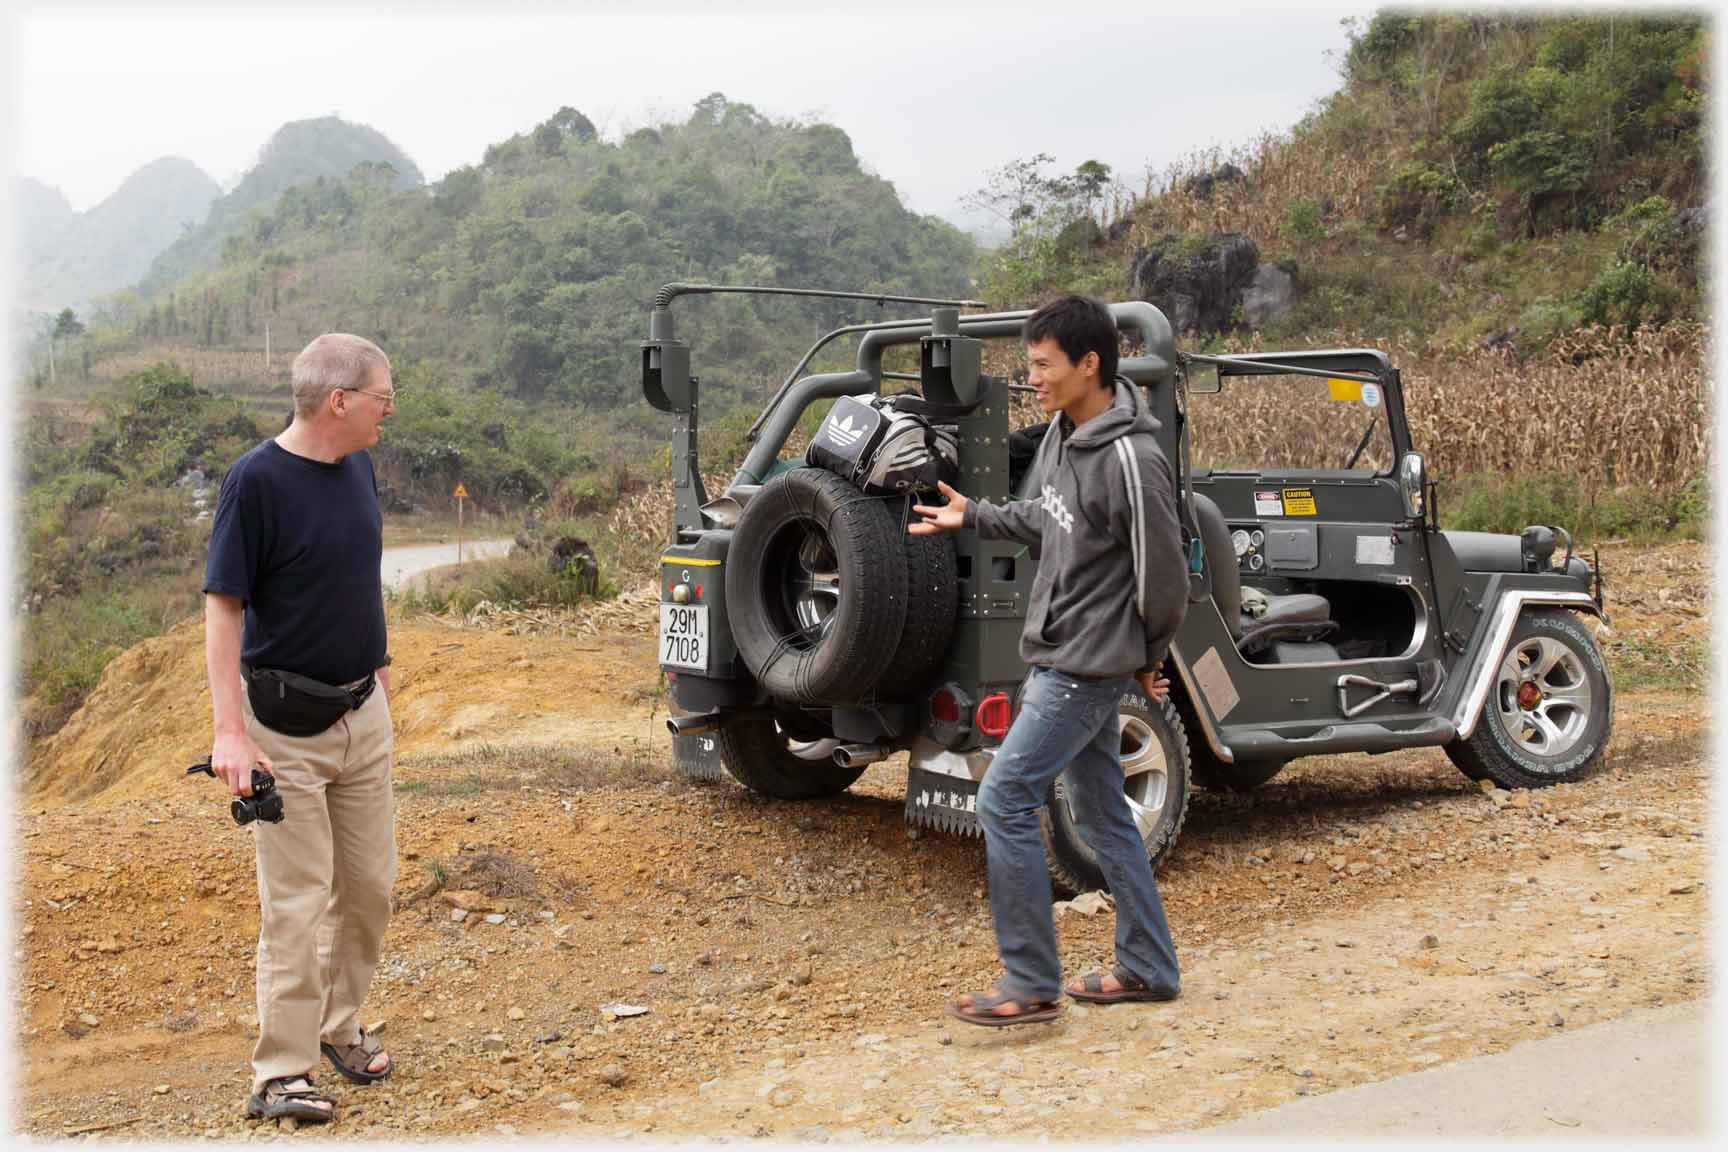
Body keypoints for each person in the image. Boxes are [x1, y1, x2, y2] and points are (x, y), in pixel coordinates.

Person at [910, 294, 1188, 1026]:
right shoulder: (1068, 435)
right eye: (1029, 366)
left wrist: (1148, 656)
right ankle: (1150, 966)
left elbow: (1165, 578)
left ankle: (1031, 982)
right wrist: (976, 515)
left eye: (1042, 365)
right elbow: (1051, 522)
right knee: (1103, 811)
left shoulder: (1133, 458)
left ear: (1088, 364)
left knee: (1004, 797)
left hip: (1087, 664)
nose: (1031, 378)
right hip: (1063, 651)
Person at [203, 333, 399, 1120]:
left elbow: (355, 570)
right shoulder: (256, 483)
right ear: (339, 400)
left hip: (363, 714)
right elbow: (224, 606)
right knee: (296, 899)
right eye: (385, 394)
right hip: (282, 726)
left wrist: (379, 666)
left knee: (370, 890)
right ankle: (279, 1072)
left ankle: (337, 1025)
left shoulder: (359, 464)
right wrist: (229, 732)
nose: (392, 406)